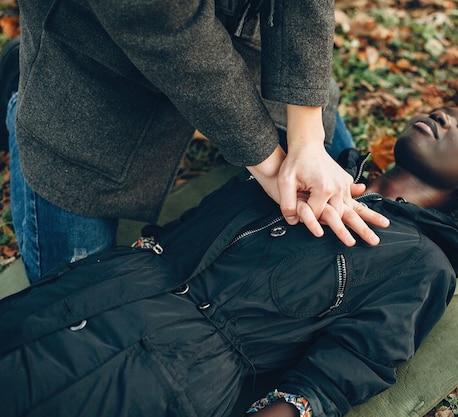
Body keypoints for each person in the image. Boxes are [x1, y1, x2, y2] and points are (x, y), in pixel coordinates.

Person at [0, 74, 458, 417]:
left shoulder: (420, 261)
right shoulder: (316, 166)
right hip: (96, 289)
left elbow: (348, 367)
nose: (441, 116)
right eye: (447, 109)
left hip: (164, 371)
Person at [1, 1, 387, 284]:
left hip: (232, 23)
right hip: (92, 50)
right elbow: (167, 29)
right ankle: (21, 82)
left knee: (335, 158)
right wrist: (269, 165)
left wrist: (307, 137)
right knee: (76, 293)